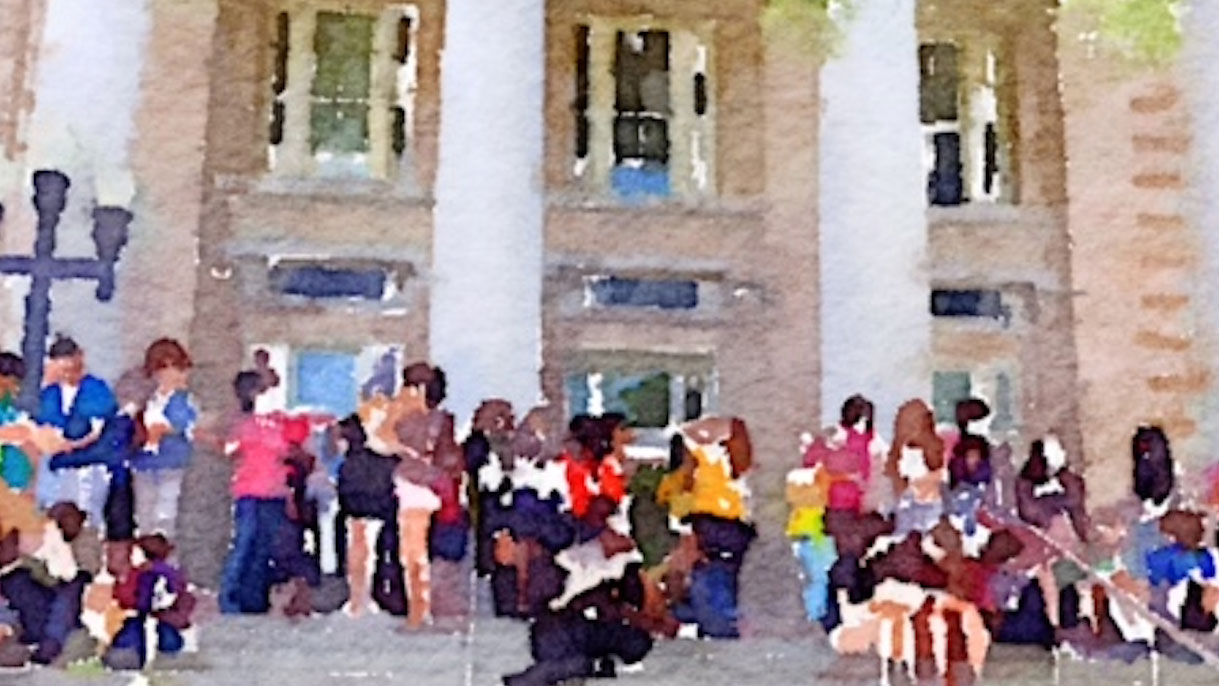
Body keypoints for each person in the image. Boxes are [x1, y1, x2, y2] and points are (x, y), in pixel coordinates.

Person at [219, 371, 292, 614]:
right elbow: (230, 449)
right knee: (243, 543)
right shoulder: (242, 423)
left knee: (265, 546)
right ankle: (229, 598)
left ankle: (255, 598)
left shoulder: (277, 421)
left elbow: (288, 450)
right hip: (249, 491)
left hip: (275, 491)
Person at [35, 336, 118, 527]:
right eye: (61, 370)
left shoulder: (96, 389)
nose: (67, 375)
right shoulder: (50, 393)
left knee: (87, 514)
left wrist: (71, 444)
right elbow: (46, 425)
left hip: (90, 464)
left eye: (70, 369)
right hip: (59, 464)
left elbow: (96, 431)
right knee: (55, 512)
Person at [335, 414, 399, 617]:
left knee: (363, 556)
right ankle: (364, 597)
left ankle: (363, 598)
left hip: (366, 514)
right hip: (375, 512)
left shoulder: (352, 464)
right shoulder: (378, 461)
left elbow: (346, 494)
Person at [132, 339, 197, 538]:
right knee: (144, 515)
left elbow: (181, 423)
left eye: (175, 367)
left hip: (172, 463)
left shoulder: (183, 399)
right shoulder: (149, 399)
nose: (168, 374)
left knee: (166, 516)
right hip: (145, 464)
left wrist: (161, 429)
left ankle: (165, 561)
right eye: (162, 368)